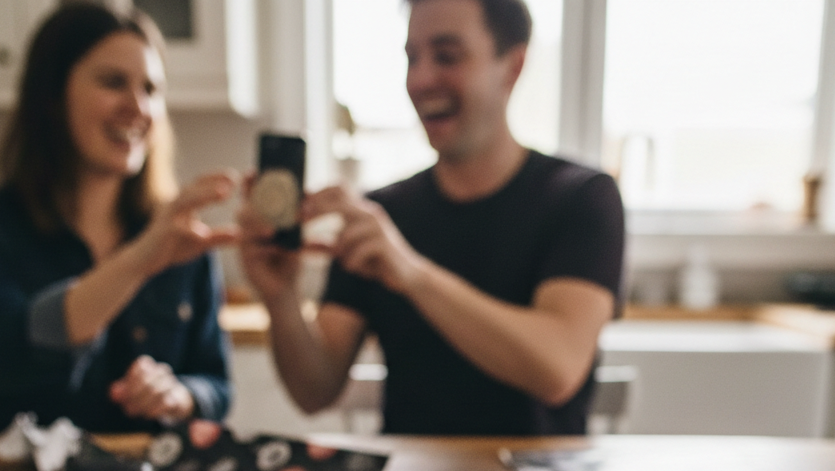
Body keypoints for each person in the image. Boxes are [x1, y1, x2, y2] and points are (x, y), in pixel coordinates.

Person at [239, 0, 624, 435]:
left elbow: (557, 369)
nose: (420, 80)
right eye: (412, 58)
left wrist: (410, 272)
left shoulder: (581, 198)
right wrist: (281, 298)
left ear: (512, 67)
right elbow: (315, 391)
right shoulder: (382, 214)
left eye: (447, 56)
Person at [0, 2, 238, 434]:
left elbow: (216, 385)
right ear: (52, 95)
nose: (138, 106)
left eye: (150, 89)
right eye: (114, 82)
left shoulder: (176, 234)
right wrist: (139, 260)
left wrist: (179, 395)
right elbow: (0, 356)